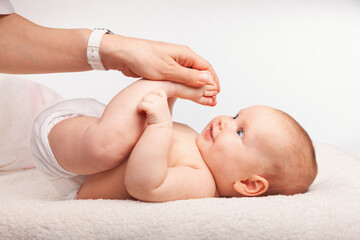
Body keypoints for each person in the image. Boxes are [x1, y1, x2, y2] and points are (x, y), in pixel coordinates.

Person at [31, 77, 317, 201]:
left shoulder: (202, 184)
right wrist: (163, 114)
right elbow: (154, 142)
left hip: (79, 161)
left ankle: (165, 83)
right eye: (234, 116)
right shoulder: (197, 151)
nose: (223, 122)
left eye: (239, 132)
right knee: (113, 138)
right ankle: (167, 87)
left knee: (107, 142)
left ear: (249, 184)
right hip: (89, 133)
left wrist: (160, 123)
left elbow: (144, 184)